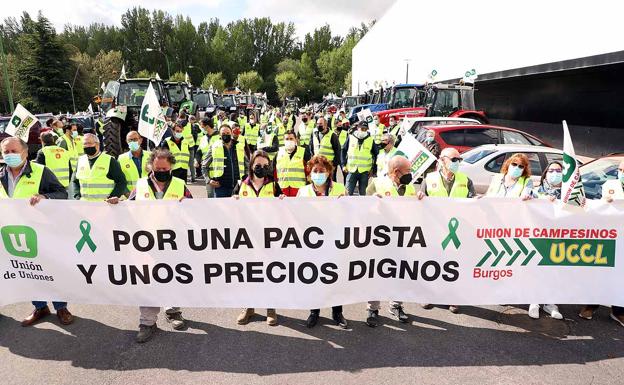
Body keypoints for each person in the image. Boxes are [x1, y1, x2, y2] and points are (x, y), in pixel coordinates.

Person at [0, 137, 74, 326]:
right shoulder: (0, 176)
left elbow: (62, 194)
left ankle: (61, 307)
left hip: (42, 233)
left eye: (13, 151)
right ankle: (40, 306)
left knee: (50, 270)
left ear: (25, 152)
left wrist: (45, 196)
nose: (10, 155)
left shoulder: (41, 172)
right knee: (27, 273)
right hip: (13, 235)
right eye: (6, 152)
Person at [125, 149, 193, 342]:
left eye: (165, 168)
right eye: (158, 168)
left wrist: (186, 204)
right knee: (148, 281)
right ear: (151, 167)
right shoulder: (140, 186)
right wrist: (117, 204)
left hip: (173, 243)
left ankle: (173, 311)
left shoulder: (180, 185)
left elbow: (195, 211)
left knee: (172, 276)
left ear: (170, 166)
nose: (161, 171)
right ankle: (147, 322)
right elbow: (127, 209)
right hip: (147, 243)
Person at [418, 147, 476, 314]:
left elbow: (472, 202)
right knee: (432, 263)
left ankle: (453, 297)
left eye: (459, 160)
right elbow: (420, 199)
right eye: (454, 159)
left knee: (453, 265)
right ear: (442, 160)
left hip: (456, 231)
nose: (458, 163)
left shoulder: (466, 180)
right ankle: (428, 294)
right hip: (434, 229)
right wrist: (420, 197)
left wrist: (477, 201)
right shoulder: (429, 179)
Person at [233, 150, 285, 326]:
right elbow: (227, 209)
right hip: (246, 238)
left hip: (268, 238)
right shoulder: (241, 184)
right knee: (249, 274)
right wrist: (232, 201)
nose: (261, 168)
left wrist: (284, 200)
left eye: (265, 165)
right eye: (258, 165)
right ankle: (248, 307)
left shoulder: (274, 186)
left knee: (270, 273)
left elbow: (284, 210)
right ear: (251, 166)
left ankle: (271, 308)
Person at [297, 155, 348, 329]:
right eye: (315, 171)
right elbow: (295, 216)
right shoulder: (303, 192)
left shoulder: (340, 188)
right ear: (310, 173)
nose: (318, 173)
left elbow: (352, 212)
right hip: (313, 243)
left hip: (335, 240)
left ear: (329, 172)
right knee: (314, 277)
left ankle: (337, 312)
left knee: (335, 277)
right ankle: (314, 312)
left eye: (322, 170)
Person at [365, 155, 415, 326]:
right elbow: (362, 211)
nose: (411, 174)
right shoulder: (376, 184)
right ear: (396, 172)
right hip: (380, 239)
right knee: (376, 273)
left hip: (402, 239)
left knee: (401, 272)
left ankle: (396, 305)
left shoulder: (409, 188)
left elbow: (416, 211)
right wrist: (372, 203)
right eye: (408, 171)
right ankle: (373, 308)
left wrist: (421, 200)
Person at [578, 160, 624, 327]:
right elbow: (599, 206)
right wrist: (605, 201)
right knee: (601, 271)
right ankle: (591, 305)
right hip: (610, 236)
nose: (621, 173)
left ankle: (618, 311)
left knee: (621, 275)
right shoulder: (610, 185)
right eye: (620, 169)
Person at [528, 161, 564, 320]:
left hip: (560, 238)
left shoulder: (570, 193)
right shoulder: (537, 191)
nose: (555, 173)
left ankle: (550, 303)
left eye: (558, 170)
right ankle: (534, 301)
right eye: (551, 170)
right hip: (539, 236)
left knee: (555, 270)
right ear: (545, 173)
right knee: (537, 268)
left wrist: (582, 203)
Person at [73, 133, 127, 202]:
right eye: (84, 144)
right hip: (85, 205)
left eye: (89, 143)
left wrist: (113, 197)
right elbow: (75, 181)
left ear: (97, 144)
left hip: (105, 206)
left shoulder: (110, 160)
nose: (86, 146)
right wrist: (77, 196)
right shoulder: (80, 160)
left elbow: (122, 181)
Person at [202, 124, 248, 198]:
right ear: (220, 135)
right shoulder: (214, 147)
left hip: (238, 186)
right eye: (223, 134)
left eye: (227, 133)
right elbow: (204, 166)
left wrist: (246, 180)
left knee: (238, 209)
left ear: (231, 133)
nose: (225, 135)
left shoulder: (239, 146)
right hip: (221, 187)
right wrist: (208, 180)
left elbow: (247, 166)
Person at [343, 121, 378, 196]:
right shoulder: (350, 138)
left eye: (365, 129)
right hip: (351, 170)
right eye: (362, 128)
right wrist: (343, 165)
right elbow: (343, 151)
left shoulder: (370, 140)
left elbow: (376, 154)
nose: (363, 131)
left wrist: (373, 169)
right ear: (358, 128)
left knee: (363, 194)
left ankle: (362, 208)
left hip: (364, 172)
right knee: (347, 193)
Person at [275, 130, 311, 197]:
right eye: (287, 139)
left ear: (296, 140)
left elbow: (310, 172)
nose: (289, 141)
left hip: (300, 190)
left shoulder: (304, 152)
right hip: (282, 191)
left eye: (291, 139)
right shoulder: (278, 153)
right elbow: (273, 172)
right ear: (283, 140)